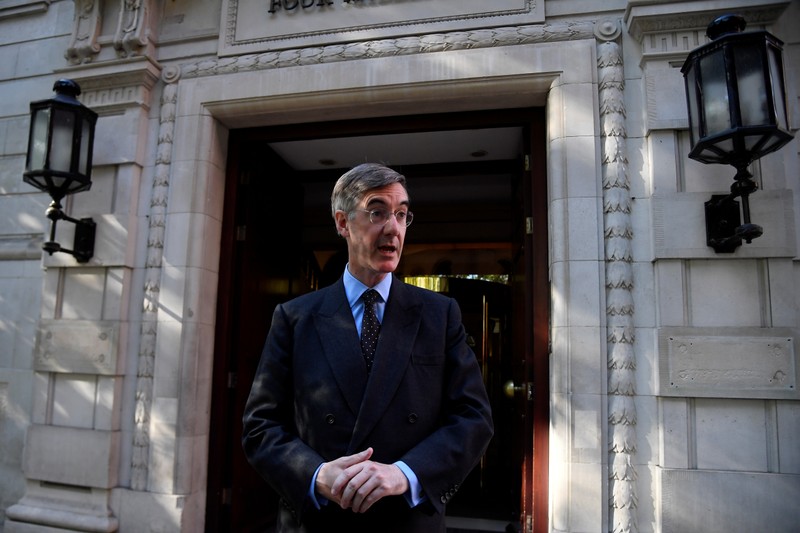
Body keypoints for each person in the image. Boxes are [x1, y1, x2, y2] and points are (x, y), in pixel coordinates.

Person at [242, 163, 494, 532]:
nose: (393, 227)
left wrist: (404, 474)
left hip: (405, 521)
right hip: (319, 521)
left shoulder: (440, 315)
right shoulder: (295, 318)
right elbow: (260, 427)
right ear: (342, 223)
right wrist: (315, 474)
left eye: (402, 214)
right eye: (377, 212)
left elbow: (474, 418)